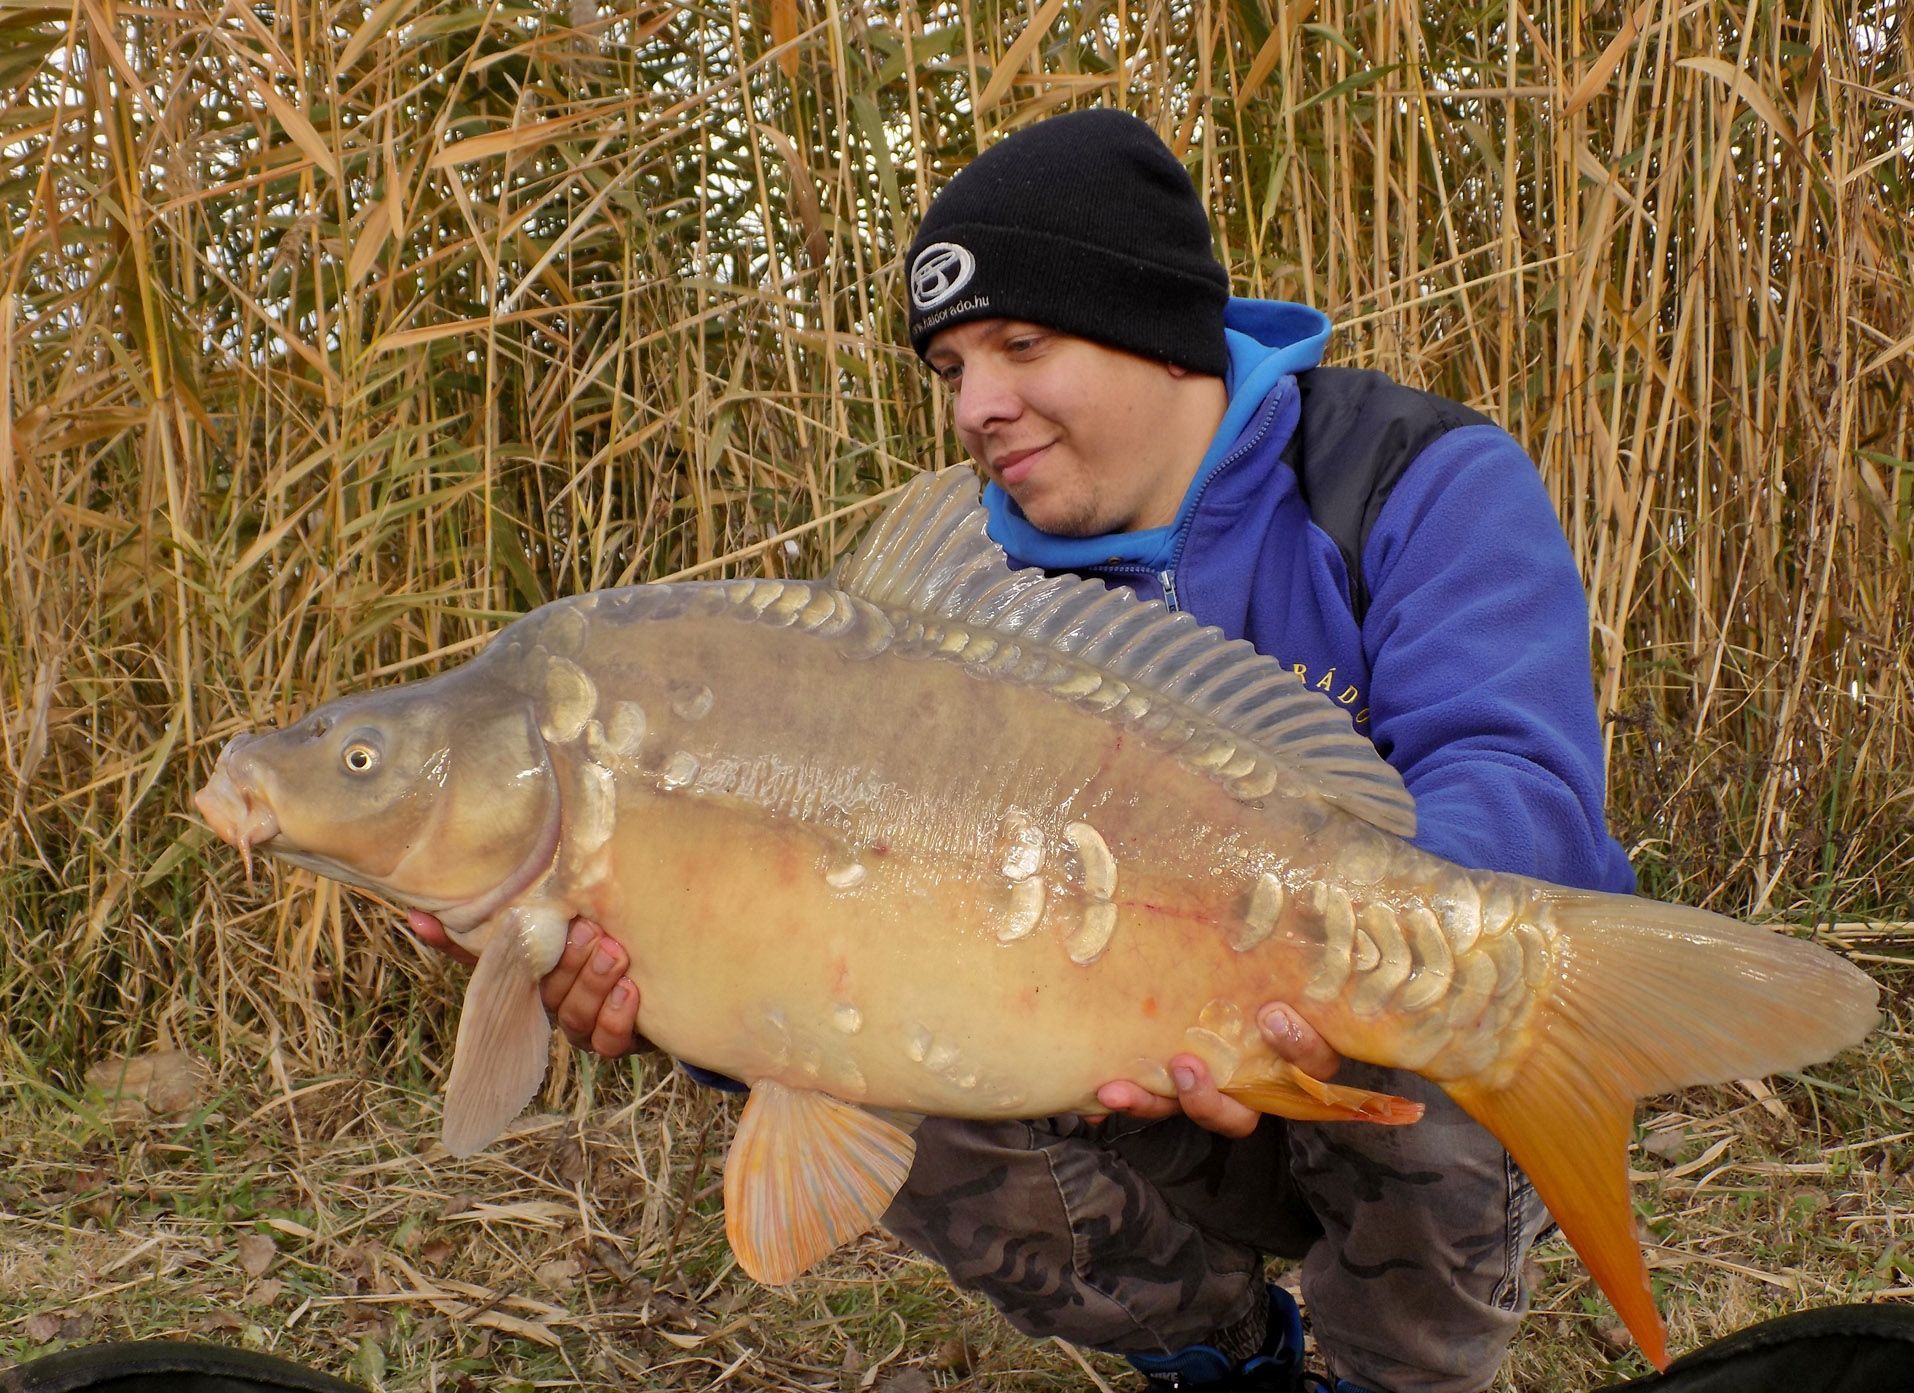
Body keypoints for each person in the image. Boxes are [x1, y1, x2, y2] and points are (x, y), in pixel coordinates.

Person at [412, 108, 1636, 1393]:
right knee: (890, 1046)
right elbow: (825, 919)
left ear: (1156, 327)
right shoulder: (956, 608)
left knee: (1427, 978)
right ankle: (1214, 1356)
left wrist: (1268, 960)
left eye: (1021, 344)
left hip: (1365, 1069)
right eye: (948, 369)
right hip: (1115, 1073)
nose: (977, 408)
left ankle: (1401, 1377)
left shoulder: (1409, 478)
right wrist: (688, 1003)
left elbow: (1524, 794)